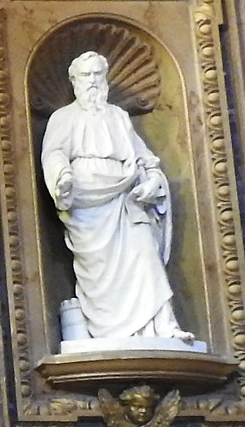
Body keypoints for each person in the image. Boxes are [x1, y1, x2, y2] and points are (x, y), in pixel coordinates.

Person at [40, 50, 198, 348]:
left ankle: (162, 326)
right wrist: (62, 177)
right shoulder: (64, 118)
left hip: (126, 197)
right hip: (87, 203)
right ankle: (104, 332)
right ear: (74, 81)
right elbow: (54, 153)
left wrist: (152, 182)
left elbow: (145, 160)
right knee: (97, 271)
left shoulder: (119, 117)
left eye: (98, 75)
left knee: (145, 252)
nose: (92, 82)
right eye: (86, 76)